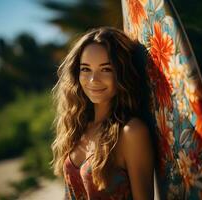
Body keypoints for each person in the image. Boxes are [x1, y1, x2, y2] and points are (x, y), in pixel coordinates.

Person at [51, 27, 155, 200]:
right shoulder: (77, 126)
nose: (93, 80)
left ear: (122, 72)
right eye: (86, 69)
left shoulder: (131, 133)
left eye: (106, 69)